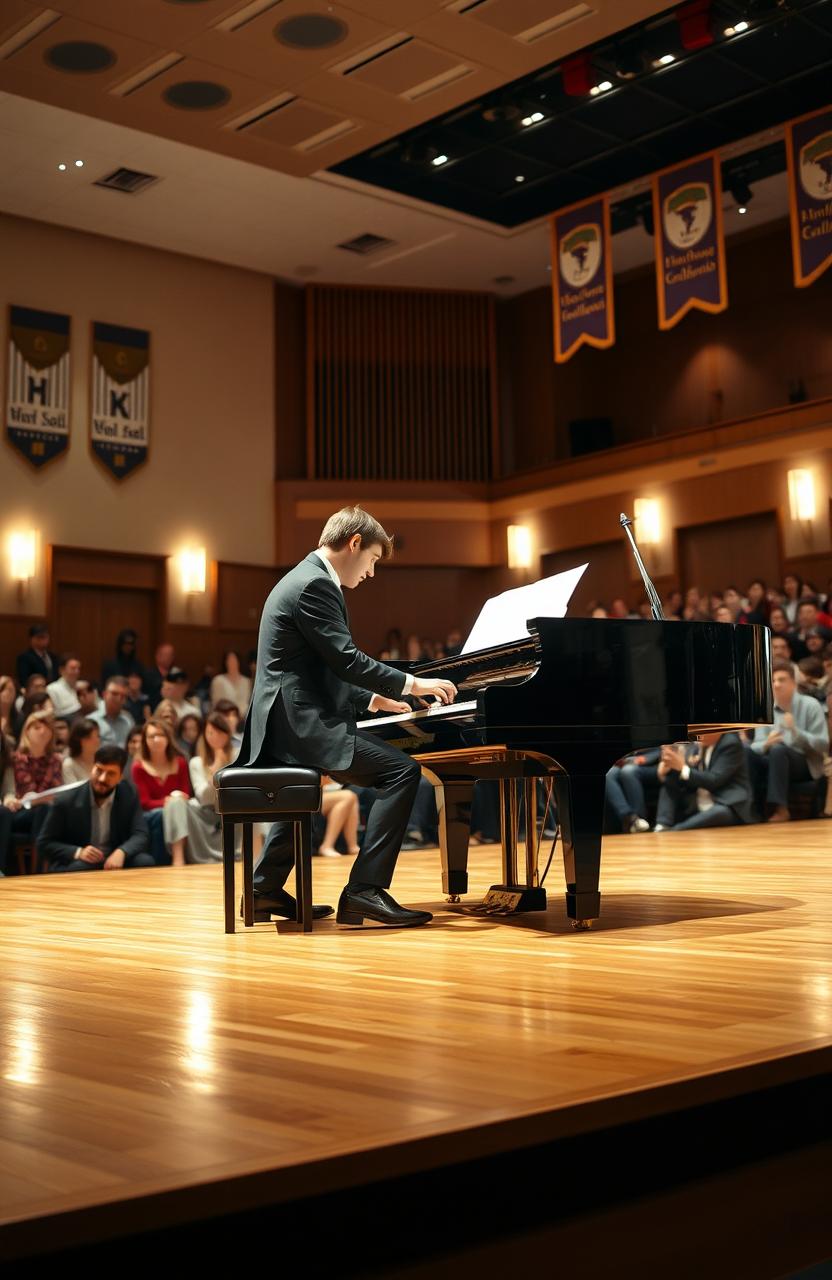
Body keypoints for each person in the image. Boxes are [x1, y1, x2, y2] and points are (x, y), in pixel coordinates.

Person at [237, 504, 456, 928]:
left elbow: (317, 667)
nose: (371, 572)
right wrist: (412, 684)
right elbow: (346, 659)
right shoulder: (316, 585)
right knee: (401, 773)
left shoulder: (303, 578)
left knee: (311, 781)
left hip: (286, 719)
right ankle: (364, 891)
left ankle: (263, 890)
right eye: (373, 558)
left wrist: (374, 700)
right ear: (354, 543)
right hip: (298, 721)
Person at [39, 744, 152, 872]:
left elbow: (141, 834)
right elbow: (44, 843)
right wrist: (78, 852)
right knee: (81, 868)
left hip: (115, 859)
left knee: (144, 862)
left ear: (120, 777)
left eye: (111, 773)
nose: (102, 778)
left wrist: (122, 852)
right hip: (80, 862)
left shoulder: (129, 795)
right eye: (99, 770)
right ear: (91, 768)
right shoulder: (65, 800)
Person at [748, 660, 829, 822]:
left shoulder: (811, 705)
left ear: (793, 683)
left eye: (782, 679)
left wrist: (796, 732)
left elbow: (823, 744)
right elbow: (754, 746)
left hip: (806, 762)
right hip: (775, 760)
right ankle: (751, 811)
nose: (776, 684)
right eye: (773, 680)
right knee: (746, 752)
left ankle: (781, 809)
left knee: (779, 750)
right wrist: (766, 744)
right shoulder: (766, 709)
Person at [652, 732, 753, 831]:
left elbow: (714, 780)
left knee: (719, 812)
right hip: (698, 801)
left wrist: (682, 767)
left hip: (728, 803)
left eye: (701, 729)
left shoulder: (730, 743)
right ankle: (662, 825)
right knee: (671, 777)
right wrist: (667, 770)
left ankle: (674, 831)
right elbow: (687, 773)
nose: (697, 734)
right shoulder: (697, 745)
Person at [2, 711, 63, 868]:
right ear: (26, 731)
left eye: (46, 728)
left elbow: (58, 789)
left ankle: (43, 867)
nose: (42, 731)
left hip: (47, 810)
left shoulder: (56, 760)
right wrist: (11, 799)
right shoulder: (15, 759)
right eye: (36, 727)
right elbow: (14, 790)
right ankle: (39, 868)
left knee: (46, 810)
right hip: (21, 810)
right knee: (42, 810)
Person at [131, 718, 191, 866]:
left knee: (192, 808)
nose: (157, 739)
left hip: (179, 807)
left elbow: (185, 793)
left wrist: (174, 801)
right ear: (145, 740)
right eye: (151, 736)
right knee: (167, 810)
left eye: (161, 735)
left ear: (168, 738)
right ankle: (176, 858)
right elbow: (145, 802)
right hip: (152, 813)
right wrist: (169, 801)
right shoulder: (138, 767)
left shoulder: (181, 763)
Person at [317, 776, 361, 858]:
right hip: (306, 797)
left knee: (352, 798)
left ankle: (353, 846)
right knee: (348, 796)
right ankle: (327, 846)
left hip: (324, 793)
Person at [90, 677, 135, 748]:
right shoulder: (92, 721)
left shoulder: (128, 720)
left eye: (123, 696)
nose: (118, 699)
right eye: (114, 694)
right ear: (104, 694)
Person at [210, 650, 252, 718]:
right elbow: (216, 704)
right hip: (224, 719)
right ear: (225, 662)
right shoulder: (218, 680)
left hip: (244, 720)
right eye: (229, 660)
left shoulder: (247, 681)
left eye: (234, 659)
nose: (232, 662)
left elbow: (249, 704)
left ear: (238, 661)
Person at [62, 717, 101, 784]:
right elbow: (73, 792)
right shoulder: (69, 764)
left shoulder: (103, 762)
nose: (98, 741)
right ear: (82, 740)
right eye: (96, 736)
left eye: (98, 736)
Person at [46, 654, 82, 719]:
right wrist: (80, 707)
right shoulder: (52, 689)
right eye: (73, 668)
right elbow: (55, 713)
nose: (77, 672)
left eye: (78, 669)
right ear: (61, 670)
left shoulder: (83, 686)